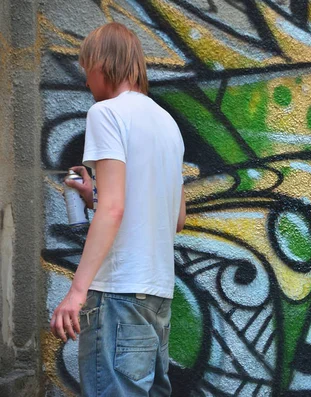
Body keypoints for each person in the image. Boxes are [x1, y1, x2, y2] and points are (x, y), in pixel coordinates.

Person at [50, 22, 186, 396]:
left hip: (117, 295)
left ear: (101, 64)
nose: (86, 80)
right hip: (157, 296)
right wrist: (94, 194)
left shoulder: (106, 114)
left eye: (86, 68)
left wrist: (77, 292)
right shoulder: (168, 124)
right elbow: (176, 218)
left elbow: (113, 210)